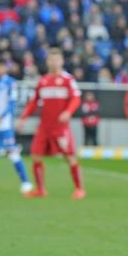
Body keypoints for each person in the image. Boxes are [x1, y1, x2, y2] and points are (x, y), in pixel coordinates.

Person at [16, 48, 85, 199]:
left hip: (60, 128)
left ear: (61, 61)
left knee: (70, 157)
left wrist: (68, 112)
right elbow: (34, 102)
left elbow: (76, 98)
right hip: (44, 127)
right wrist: (23, 118)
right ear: (47, 62)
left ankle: (79, 189)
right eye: (51, 60)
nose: (53, 63)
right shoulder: (43, 81)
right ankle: (41, 190)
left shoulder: (68, 79)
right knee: (35, 155)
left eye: (56, 60)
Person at [0, 57, 33, 194]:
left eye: (0, 66)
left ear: (5, 68)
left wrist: (1, 116)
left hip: (3, 126)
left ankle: (25, 182)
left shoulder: (10, 83)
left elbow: (12, 104)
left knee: (12, 154)